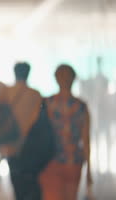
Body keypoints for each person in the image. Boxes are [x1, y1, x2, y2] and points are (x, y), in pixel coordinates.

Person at [40, 64, 92, 200]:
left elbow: (38, 134)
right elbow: (86, 140)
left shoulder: (46, 103)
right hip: (73, 161)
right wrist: (89, 171)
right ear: (73, 79)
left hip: (50, 161)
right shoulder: (81, 106)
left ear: (56, 79)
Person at [0, 62, 43, 200]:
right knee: (31, 183)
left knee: (16, 182)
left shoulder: (5, 92)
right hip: (30, 145)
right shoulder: (36, 94)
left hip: (11, 143)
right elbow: (39, 120)